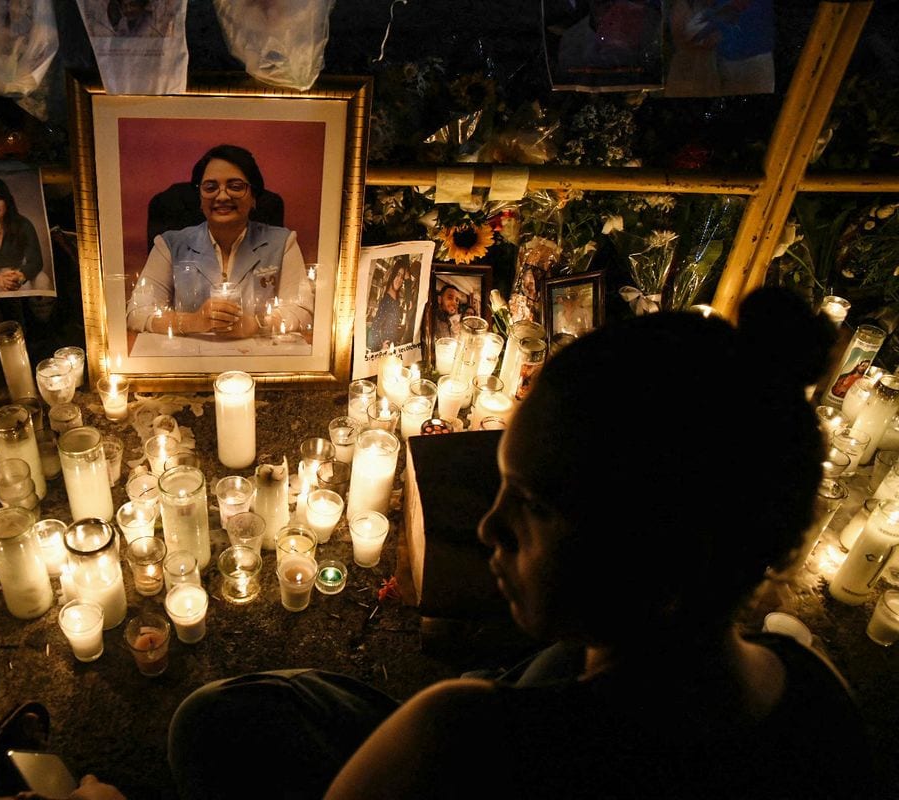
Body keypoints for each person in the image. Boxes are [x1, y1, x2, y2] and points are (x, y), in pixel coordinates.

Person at [160, 287, 880, 799]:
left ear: (650, 543)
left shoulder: (459, 737)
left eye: (533, 505)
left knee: (214, 723)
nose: (485, 528)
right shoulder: (816, 693)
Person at [127, 144, 311, 340]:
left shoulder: (283, 243)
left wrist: (256, 324)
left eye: (236, 186)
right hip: (190, 363)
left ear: (254, 197)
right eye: (210, 187)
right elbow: (137, 312)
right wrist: (194, 321)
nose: (222, 196)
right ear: (200, 198)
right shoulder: (169, 245)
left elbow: (302, 310)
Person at [365, 258, 415, 352]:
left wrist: (407, 280)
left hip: (392, 347)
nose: (400, 279)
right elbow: (374, 327)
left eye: (402, 277)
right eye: (398, 275)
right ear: (392, 274)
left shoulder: (396, 299)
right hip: (384, 350)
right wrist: (380, 346)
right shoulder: (386, 300)